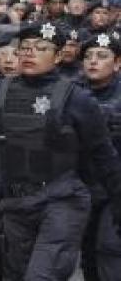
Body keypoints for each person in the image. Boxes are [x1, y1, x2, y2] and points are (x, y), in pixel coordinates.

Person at [0, 21, 121, 280]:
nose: (30, 53)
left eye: (40, 48)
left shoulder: (76, 98)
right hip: (15, 204)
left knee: (41, 275)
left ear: (59, 55)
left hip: (62, 200)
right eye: (25, 48)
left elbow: (103, 156)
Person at [79, 31, 121, 281]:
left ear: (117, 63)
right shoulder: (71, 91)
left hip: (115, 187)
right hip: (82, 185)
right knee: (88, 254)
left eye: (102, 56)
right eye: (88, 56)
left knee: (110, 249)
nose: (93, 61)